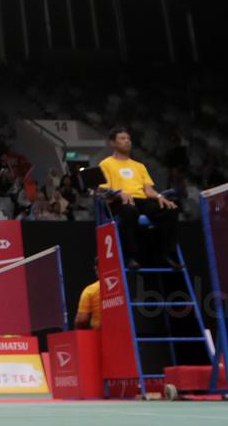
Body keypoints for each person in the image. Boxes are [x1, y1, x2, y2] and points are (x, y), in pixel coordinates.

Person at [98, 127, 179, 270]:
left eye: (128, 139)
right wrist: (119, 194)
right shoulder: (106, 164)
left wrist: (160, 196)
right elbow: (104, 189)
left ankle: (166, 255)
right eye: (122, 139)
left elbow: (148, 190)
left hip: (141, 200)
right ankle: (130, 257)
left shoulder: (139, 166)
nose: (127, 141)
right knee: (130, 211)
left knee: (170, 209)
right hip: (118, 201)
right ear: (113, 143)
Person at [75, 259, 101, 330]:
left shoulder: (90, 290)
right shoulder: (123, 283)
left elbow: (82, 320)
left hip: (101, 334)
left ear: (96, 269)